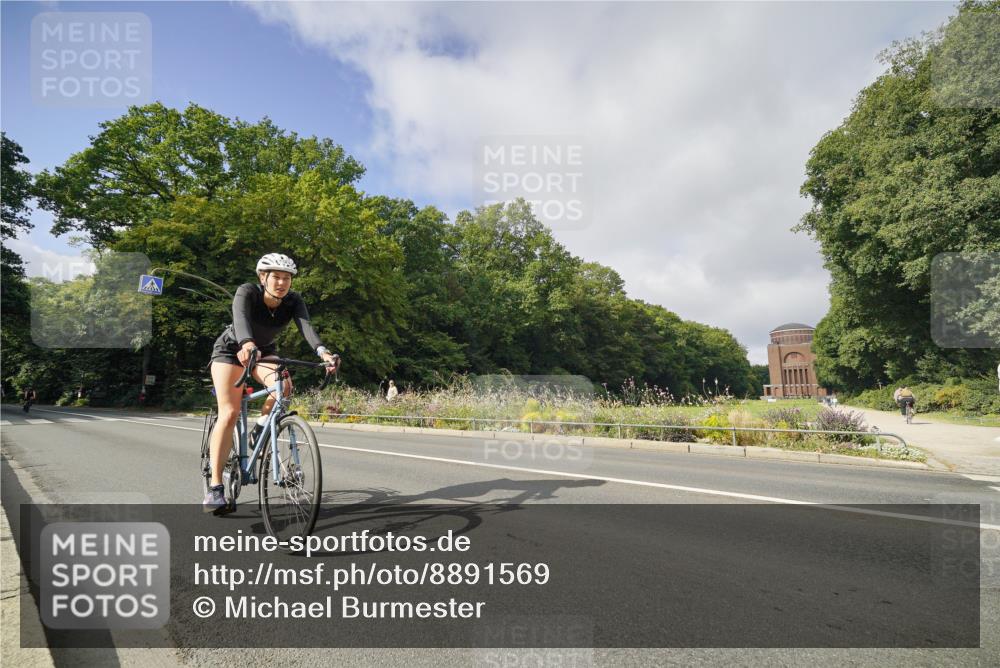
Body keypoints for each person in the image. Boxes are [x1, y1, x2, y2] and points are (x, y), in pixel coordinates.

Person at [204, 253, 340, 511]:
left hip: (264, 351)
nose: (282, 282)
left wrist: (324, 353)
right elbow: (240, 319)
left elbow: (306, 327)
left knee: (284, 387)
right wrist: (246, 343)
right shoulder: (247, 292)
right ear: (263, 277)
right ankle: (215, 487)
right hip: (231, 350)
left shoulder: (293, 301)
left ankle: (260, 429)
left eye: (287, 278)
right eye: (276, 276)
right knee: (230, 412)